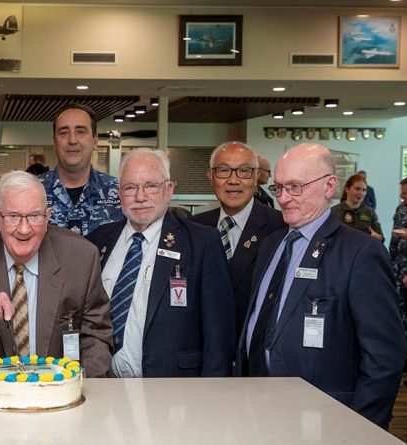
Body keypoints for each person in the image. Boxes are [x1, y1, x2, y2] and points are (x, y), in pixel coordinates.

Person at [236, 142, 405, 429]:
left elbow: (385, 356)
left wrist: (360, 428)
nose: (284, 198)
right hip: (258, 408)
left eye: (295, 187)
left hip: (327, 418)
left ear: (329, 186)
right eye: (278, 188)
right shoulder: (270, 245)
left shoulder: (359, 252)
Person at [0, 171, 113, 378]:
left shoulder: (80, 257)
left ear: (47, 217)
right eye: (13, 217)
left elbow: (97, 334)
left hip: (58, 392)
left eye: (34, 216)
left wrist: (79, 387)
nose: (24, 229)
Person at [86, 149, 235, 377]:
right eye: (130, 187)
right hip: (105, 386)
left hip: (173, 392)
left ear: (169, 190)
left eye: (150, 186)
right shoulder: (98, 240)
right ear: (119, 193)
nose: (140, 197)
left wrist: (211, 396)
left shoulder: (202, 243)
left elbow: (219, 335)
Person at [192, 142, 285, 341]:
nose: (233, 180)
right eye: (224, 170)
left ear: (255, 177)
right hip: (202, 351)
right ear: (210, 176)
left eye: (244, 171)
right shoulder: (193, 228)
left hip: (255, 351)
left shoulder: (280, 228)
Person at [39, 103, 123, 235]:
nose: (72, 140)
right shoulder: (33, 190)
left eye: (80, 132)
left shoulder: (119, 192)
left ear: (95, 140)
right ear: (55, 142)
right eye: (64, 133)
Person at [390, 176, 407, 361]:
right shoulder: (401, 208)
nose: (401, 196)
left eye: (405, 193)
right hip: (397, 266)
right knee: (399, 314)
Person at [331, 174, 383, 242]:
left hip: (365, 251)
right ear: (347, 189)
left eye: (364, 190)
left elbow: (380, 237)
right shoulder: (335, 211)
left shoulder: (370, 212)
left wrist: (377, 238)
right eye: (357, 189)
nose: (361, 193)